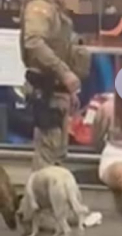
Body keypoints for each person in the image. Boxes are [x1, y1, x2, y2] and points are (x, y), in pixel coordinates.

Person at [20, 0, 91, 170]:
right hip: (47, 90)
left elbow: (63, 48)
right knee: (48, 154)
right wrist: (63, 72)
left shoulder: (57, 9)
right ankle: (42, 187)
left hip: (58, 91)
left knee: (57, 153)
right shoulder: (40, 7)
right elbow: (34, 42)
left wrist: (69, 89)